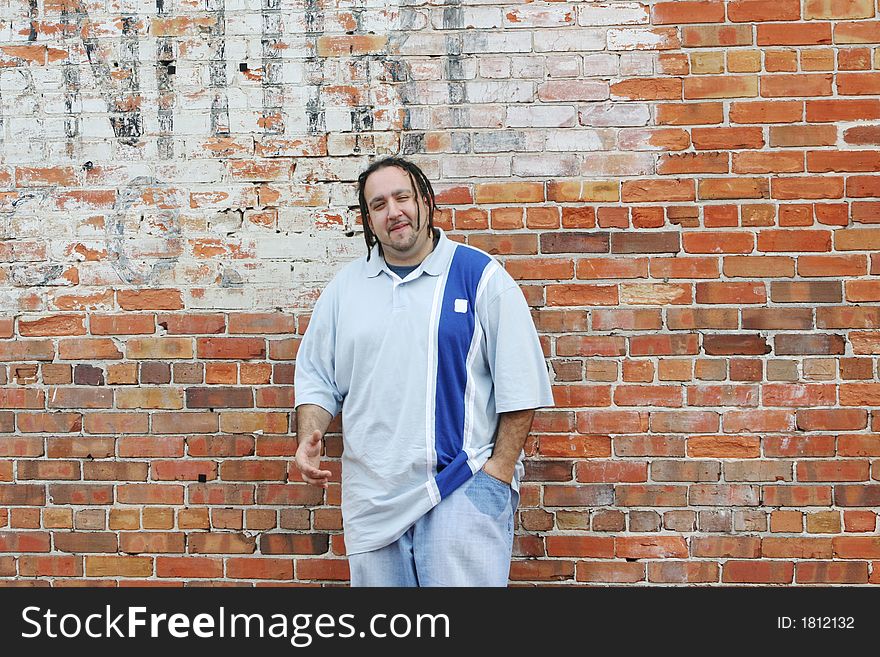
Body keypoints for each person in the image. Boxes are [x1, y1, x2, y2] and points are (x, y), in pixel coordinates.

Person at [293, 157, 554, 586]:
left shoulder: (480, 277)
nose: (392, 211)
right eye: (378, 204)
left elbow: (522, 382)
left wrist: (499, 471)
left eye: (402, 197)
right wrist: (309, 436)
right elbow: (318, 378)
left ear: (426, 203)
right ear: (369, 221)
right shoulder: (345, 290)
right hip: (373, 502)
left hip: (459, 488)